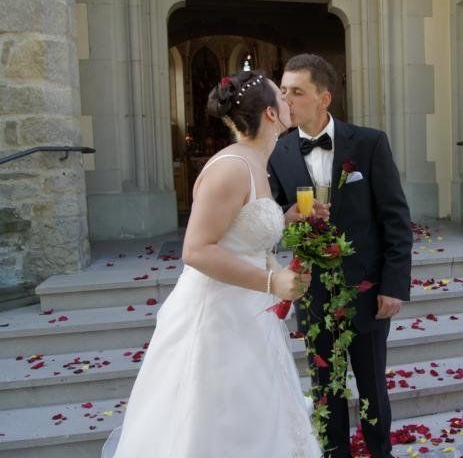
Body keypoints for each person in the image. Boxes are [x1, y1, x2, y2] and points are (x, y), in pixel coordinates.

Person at [102, 71, 322, 458]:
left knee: (258, 419)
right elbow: (197, 250)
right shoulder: (230, 168)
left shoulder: (257, 163)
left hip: (251, 314)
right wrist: (272, 282)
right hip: (219, 320)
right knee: (220, 423)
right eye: (282, 95)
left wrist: (286, 218)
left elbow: (240, 232)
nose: (290, 100)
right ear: (271, 114)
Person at [268, 54, 413, 458]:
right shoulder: (278, 152)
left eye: (297, 92)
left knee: (372, 389)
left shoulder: (369, 143)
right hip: (313, 293)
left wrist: (393, 286)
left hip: (367, 291)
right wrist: (288, 216)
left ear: (324, 98)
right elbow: (271, 217)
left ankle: (380, 453)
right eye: (284, 91)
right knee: (324, 391)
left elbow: (396, 219)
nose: (287, 100)